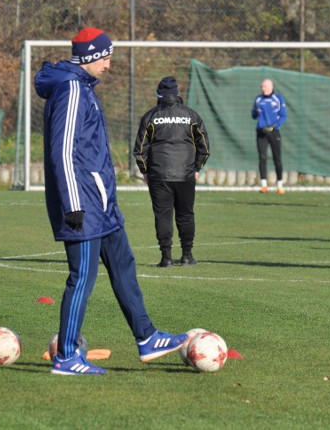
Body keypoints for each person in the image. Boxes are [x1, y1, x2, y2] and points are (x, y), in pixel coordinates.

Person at [35, 28, 188, 376]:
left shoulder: (83, 88)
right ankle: (67, 357)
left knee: (123, 266)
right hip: (82, 205)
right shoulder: (72, 90)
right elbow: (62, 151)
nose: (109, 64)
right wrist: (73, 204)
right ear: (89, 57)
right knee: (82, 277)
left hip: (101, 203)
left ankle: (147, 337)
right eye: (105, 57)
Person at [133, 76, 210, 268]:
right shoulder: (191, 115)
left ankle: (166, 257)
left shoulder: (150, 116)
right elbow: (205, 147)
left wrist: (145, 171)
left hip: (159, 174)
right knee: (185, 214)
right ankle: (187, 256)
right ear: (177, 94)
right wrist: (197, 167)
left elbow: (140, 148)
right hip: (185, 174)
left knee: (162, 215)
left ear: (159, 95)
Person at [252, 78, 287, 193]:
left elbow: (283, 116)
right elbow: (253, 115)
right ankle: (264, 185)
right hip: (261, 132)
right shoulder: (258, 99)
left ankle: (280, 185)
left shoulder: (278, 99)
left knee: (277, 158)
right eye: (262, 86)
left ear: (271, 87)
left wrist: (274, 126)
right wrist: (256, 112)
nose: (263, 89)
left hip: (273, 132)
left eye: (265, 86)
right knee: (262, 157)